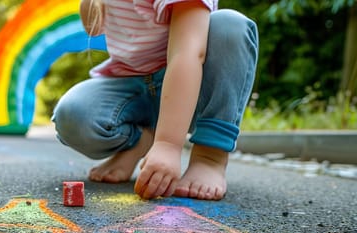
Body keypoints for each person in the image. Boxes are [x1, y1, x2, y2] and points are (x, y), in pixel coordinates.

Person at [51, 0, 258, 200]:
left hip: (190, 88)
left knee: (230, 26)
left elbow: (187, 52)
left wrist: (168, 145)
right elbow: (92, 28)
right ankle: (140, 140)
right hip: (131, 84)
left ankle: (209, 157)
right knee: (73, 114)